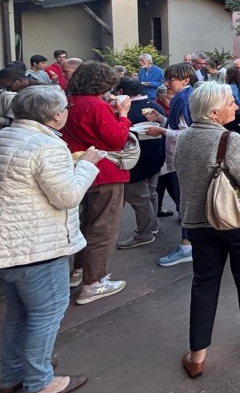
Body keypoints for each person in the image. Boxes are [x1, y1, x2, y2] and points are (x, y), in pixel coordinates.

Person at [0, 86, 103, 393]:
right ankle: (38, 381)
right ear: (56, 115)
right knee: (46, 314)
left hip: (5, 245)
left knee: (19, 314)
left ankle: (13, 375)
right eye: (65, 108)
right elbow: (67, 196)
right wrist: (88, 164)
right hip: (36, 244)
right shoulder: (46, 145)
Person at [175, 82, 240, 379]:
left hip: (198, 223)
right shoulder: (231, 139)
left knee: (204, 283)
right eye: (230, 102)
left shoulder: (183, 137)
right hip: (236, 221)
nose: (236, 106)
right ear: (214, 112)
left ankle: (197, 355)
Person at [62, 62, 132, 304]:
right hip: (104, 170)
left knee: (86, 223)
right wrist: (123, 116)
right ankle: (93, 282)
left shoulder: (69, 101)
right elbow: (117, 139)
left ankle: (79, 270)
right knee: (103, 227)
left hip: (80, 168)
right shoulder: (96, 104)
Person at [154, 63, 197, 266]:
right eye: (166, 79)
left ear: (185, 80)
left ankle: (187, 246)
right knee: (184, 202)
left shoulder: (184, 99)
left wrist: (163, 131)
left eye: (171, 79)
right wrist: (161, 119)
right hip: (181, 157)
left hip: (183, 158)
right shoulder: (186, 96)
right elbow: (178, 126)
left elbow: (188, 133)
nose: (167, 83)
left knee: (184, 202)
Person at [115, 78, 166, 249]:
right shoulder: (155, 106)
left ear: (121, 92)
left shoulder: (126, 111)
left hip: (135, 162)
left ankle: (144, 233)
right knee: (151, 193)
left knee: (139, 199)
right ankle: (153, 224)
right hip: (157, 158)